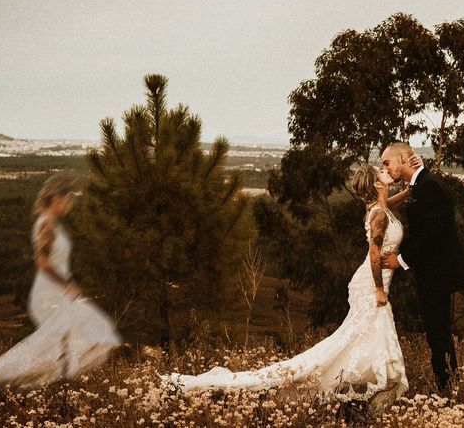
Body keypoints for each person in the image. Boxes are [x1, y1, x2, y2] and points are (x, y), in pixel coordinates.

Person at [162, 160, 421, 412]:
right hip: (371, 283)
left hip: (372, 280)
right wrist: (378, 289)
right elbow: (375, 255)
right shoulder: (379, 216)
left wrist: (408, 190)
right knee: (355, 336)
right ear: (376, 185)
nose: (386, 172)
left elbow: (387, 207)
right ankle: (353, 380)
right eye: (382, 172)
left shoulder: (379, 208)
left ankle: (369, 382)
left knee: (363, 334)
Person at [0, 173, 122, 405]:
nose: (70, 205)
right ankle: (4, 389)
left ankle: (44, 391)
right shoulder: (46, 225)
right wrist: (68, 285)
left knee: (77, 341)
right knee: (94, 335)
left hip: (58, 292)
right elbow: (43, 263)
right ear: (57, 198)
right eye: (68, 199)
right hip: (51, 293)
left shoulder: (47, 223)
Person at [380, 142, 464, 394]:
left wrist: (400, 260)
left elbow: (432, 233)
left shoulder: (428, 185)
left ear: (401, 158)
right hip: (433, 271)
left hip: (438, 272)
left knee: (438, 332)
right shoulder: (422, 183)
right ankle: (449, 387)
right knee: (437, 331)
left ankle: (448, 390)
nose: (385, 168)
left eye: (387, 162)